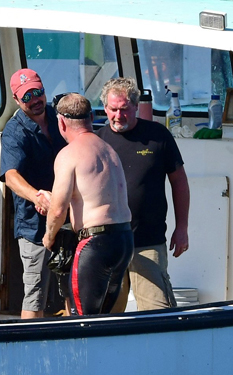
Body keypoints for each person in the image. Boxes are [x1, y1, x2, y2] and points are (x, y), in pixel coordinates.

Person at [95, 77, 190, 312]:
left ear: (136, 106)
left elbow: (179, 182)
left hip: (148, 241)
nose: (118, 116)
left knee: (159, 313)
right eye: (113, 109)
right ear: (105, 108)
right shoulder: (97, 141)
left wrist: (182, 228)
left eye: (124, 109)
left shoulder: (159, 136)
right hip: (108, 243)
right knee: (105, 317)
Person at [42, 93, 133, 315]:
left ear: (61, 122)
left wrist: (49, 237)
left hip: (95, 244)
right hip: (123, 239)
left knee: (82, 318)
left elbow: (57, 210)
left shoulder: (69, 154)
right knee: (105, 316)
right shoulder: (108, 150)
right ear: (91, 117)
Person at [0, 68, 67, 318]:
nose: (35, 100)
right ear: (17, 100)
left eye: (38, 93)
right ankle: (30, 349)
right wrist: (37, 196)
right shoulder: (14, 131)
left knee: (72, 289)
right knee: (35, 292)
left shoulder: (60, 117)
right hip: (34, 226)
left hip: (69, 219)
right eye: (27, 96)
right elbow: (11, 176)